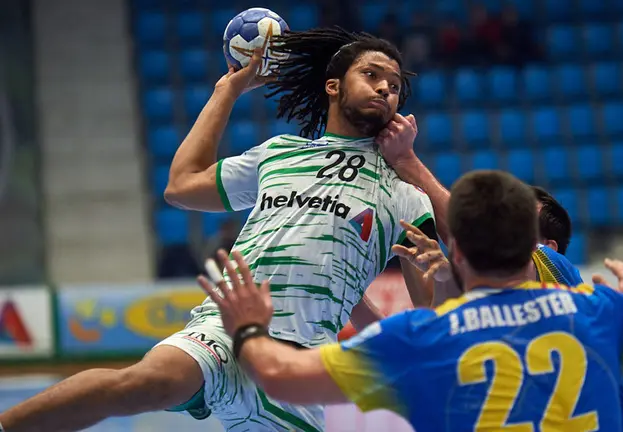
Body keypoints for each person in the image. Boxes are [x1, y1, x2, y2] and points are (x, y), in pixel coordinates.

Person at [0, 28, 438, 432]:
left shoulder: (405, 195)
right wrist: (226, 91)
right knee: (148, 382)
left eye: (395, 85)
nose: (385, 87)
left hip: (299, 366)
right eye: (372, 74)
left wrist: (381, 342)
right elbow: (181, 186)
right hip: (224, 331)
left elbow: (429, 311)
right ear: (333, 86)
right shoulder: (279, 154)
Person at [197, 170, 623, 432]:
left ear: (456, 248)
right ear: (536, 247)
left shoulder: (421, 339)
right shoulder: (599, 310)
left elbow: (280, 376)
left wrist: (247, 326)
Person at [375, 116, 623, 431]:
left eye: (518, 223)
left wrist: (406, 160)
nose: (502, 230)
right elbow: (430, 322)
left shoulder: (558, 270)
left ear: (546, 246)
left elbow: (472, 234)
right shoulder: (489, 310)